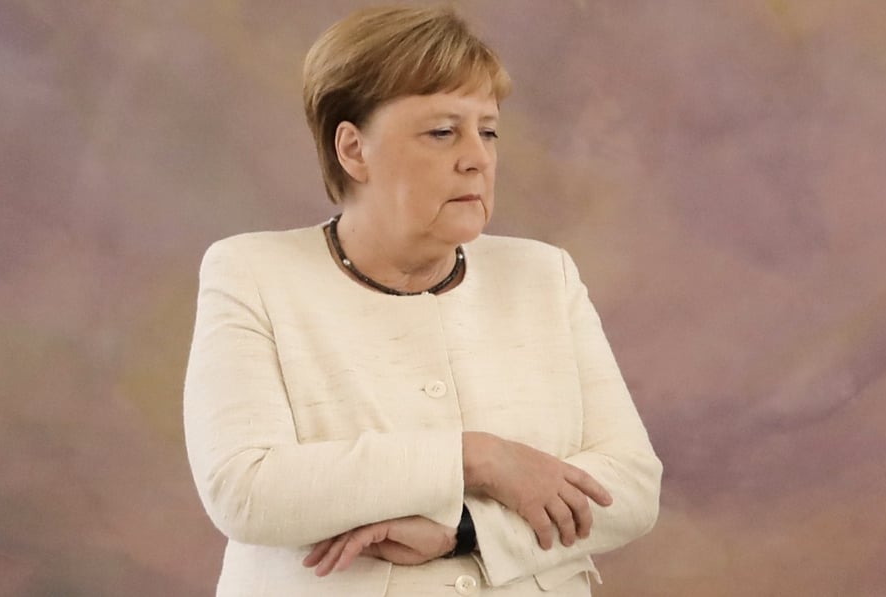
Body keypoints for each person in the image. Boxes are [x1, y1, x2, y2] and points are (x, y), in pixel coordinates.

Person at [183, 5, 662, 596]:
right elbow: (247, 490)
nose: (477, 157)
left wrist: (465, 529)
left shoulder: (544, 274)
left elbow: (633, 488)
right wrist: (476, 459)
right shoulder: (253, 272)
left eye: (487, 130)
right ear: (353, 150)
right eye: (443, 131)